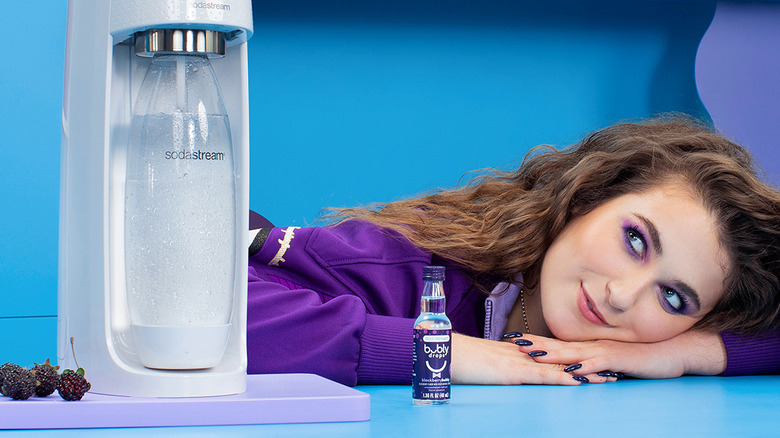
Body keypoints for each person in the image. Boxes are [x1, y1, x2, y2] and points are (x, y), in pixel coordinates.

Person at [246, 115, 780, 386]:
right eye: (635, 240)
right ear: (586, 198)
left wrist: (679, 355)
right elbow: (213, 311)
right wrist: (443, 352)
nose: (621, 296)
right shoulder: (407, 261)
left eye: (673, 298)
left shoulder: (656, 343)